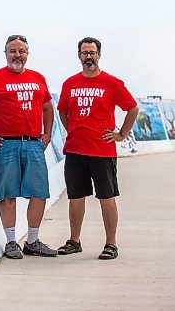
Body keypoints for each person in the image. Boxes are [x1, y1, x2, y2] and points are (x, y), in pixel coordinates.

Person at [0, 35, 58, 259]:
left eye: (21, 51)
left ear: (27, 54)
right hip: (5, 144)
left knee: (39, 193)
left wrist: (46, 134)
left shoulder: (38, 78)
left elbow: (47, 107)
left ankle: (33, 241)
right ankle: (11, 242)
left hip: (34, 144)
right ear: (5, 53)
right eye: (13, 51)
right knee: (8, 195)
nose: (17, 55)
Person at [57, 37, 139, 260]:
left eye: (92, 52)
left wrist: (121, 134)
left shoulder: (111, 82)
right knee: (76, 197)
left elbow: (132, 108)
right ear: (79, 56)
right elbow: (62, 110)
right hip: (75, 150)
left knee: (106, 197)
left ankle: (111, 244)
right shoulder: (70, 83)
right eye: (85, 53)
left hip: (102, 151)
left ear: (99, 55)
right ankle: (75, 241)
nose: (89, 57)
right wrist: (73, 129)